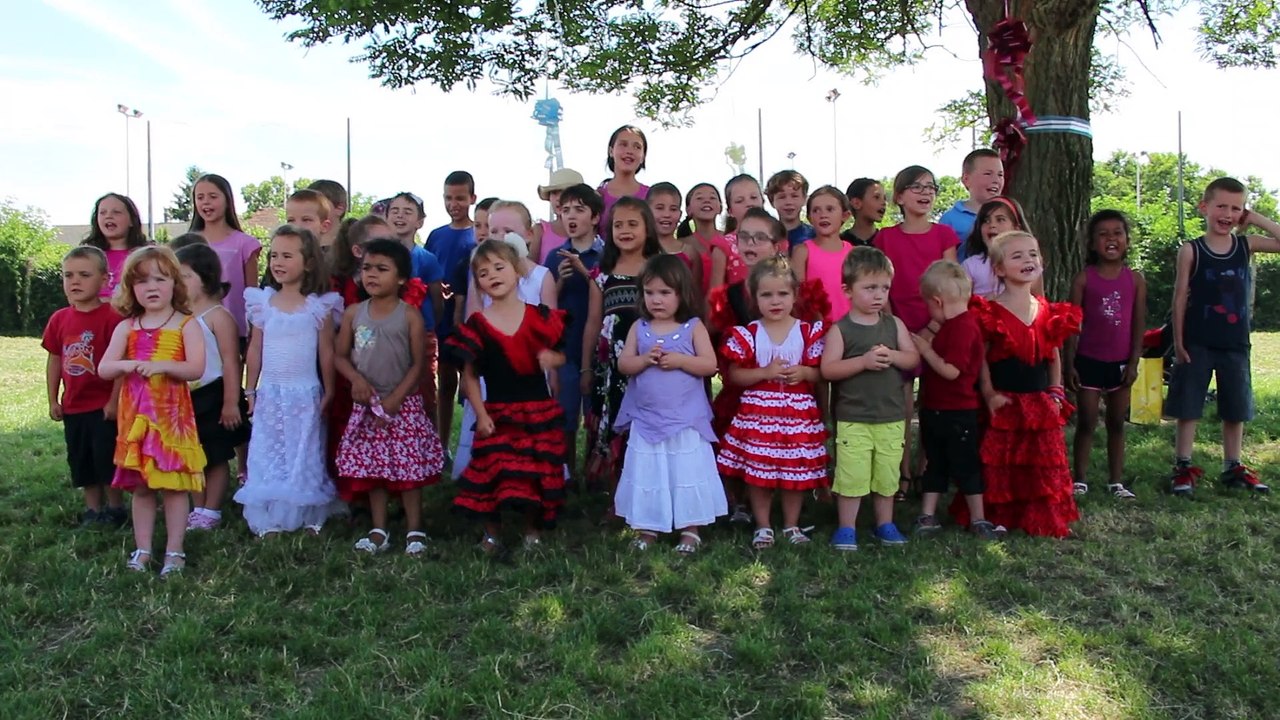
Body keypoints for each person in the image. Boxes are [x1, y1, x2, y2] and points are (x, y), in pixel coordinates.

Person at [954, 231, 1081, 537]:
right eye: (1018, 256)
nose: (1028, 260)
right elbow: (981, 359)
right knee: (1002, 460)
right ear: (998, 269)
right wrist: (987, 392)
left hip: (1038, 401)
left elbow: (1053, 354)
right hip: (1004, 399)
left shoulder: (1047, 310)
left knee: (1042, 459)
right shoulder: (988, 310)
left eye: (1033, 254)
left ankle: (1040, 516)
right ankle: (999, 516)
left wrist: (1056, 392)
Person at [445, 240, 568, 555]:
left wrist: (553, 360)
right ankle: (492, 534)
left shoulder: (540, 316)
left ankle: (532, 532)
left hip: (538, 409)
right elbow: (469, 375)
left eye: (499, 267)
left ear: (517, 271)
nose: (493, 275)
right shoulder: (477, 324)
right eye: (484, 273)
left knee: (536, 472)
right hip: (498, 410)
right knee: (493, 470)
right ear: (479, 283)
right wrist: (481, 413)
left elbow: (561, 354)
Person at [707, 208, 829, 523]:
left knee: (792, 445)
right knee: (736, 436)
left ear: (777, 245)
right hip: (746, 387)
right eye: (743, 236)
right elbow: (724, 348)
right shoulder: (731, 294)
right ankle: (743, 502)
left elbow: (817, 347)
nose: (750, 243)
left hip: (794, 391)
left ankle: (792, 504)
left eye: (759, 237)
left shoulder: (800, 292)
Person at [1166, 177, 1280, 495]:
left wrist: (1254, 218)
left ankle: (1233, 466)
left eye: (1236, 208)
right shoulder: (1192, 250)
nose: (1227, 213)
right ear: (1205, 207)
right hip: (1197, 341)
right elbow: (1179, 298)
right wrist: (1178, 341)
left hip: (1235, 343)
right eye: (1221, 206)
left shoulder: (1246, 245)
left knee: (1235, 407)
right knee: (1189, 406)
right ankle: (1183, 466)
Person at [98, 246, 207, 576]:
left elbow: (196, 368)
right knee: (142, 487)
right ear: (131, 288)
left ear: (175, 283)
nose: (152, 287)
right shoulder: (127, 327)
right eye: (142, 281)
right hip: (136, 421)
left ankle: (175, 551)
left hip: (172, 421)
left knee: (174, 487)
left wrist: (162, 365)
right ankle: (143, 549)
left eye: (160, 278)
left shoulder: (186, 324)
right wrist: (129, 364)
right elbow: (105, 368)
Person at [335, 239, 444, 555]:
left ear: (400, 278)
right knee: (374, 470)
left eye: (381, 269)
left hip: (403, 406)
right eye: (367, 268)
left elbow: (418, 363)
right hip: (367, 408)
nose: (371, 275)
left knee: (408, 470)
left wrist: (398, 396)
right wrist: (355, 379)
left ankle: (415, 529)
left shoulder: (409, 315)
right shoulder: (354, 313)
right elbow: (340, 356)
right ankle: (379, 528)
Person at [234, 226, 342, 536]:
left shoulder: (318, 306)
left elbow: (326, 352)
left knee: (303, 449)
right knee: (269, 448)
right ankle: (269, 509)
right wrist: (250, 389)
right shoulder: (263, 303)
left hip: (305, 393)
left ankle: (307, 510)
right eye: (274, 255)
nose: (278, 262)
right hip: (270, 393)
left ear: (308, 263)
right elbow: (255, 348)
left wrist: (329, 389)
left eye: (287, 255)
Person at [614, 255, 726, 552]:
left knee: (685, 470)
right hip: (648, 420)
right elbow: (624, 364)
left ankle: (690, 529)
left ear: (681, 294)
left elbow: (709, 365)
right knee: (650, 472)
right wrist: (642, 360)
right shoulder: (640, 327)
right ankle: (648, 527)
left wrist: (680, 360)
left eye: (665, 293)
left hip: (684, 421)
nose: (656, 300)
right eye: (649, 293)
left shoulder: (692, 327)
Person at [820, 247, 919, 550]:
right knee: (852, 475)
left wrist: (894, 356)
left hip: (890, 417)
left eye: (884, 288)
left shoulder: (894, 325)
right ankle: (846, 527)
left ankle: (884, 524)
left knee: (887, 475)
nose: (879, 295)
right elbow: (828, 369)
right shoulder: (841, 329)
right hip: (853, 418)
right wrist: (862, 362)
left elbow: (913, 358)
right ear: (847, 290)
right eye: (870, 288)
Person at [874, 165, 959, 498]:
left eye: (930, 187)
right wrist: (898, 330)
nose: (925, 193)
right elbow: (881, 286)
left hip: (939, 326)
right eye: (916, 187)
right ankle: (902, 471)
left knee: (933, 401)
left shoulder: (944, 235)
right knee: (903, 403)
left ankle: (927, 466)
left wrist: (935, 326)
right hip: (899, 327)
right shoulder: (886, 238)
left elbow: (952, 283)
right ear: (899, 196)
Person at [454, 213, 557, 478]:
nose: (499, 236)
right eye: (493, 229)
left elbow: (552, 347)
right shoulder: (480, 323)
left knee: (532, 459)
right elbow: (472, 369)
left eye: (507, 230)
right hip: (494, 398)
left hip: (531, 399)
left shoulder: (535, 311)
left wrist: (552, 369)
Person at [909, 261, 1002, 538]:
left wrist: (926, 350)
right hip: (935, 408)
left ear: (937, 301)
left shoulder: (964, 327)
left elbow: (952, 371)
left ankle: (978, 517)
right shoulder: (948, 324)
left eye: (929, 305)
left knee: (966, 464)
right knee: (935, 462)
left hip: (959, 411)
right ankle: (927, 514)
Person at [582, 197, 662, 494]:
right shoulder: (601, 273)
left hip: (652, 360)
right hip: (611, 367)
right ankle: (617, 496)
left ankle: (651, 490)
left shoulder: (660, 269)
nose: (625, 230)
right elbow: (592, 322)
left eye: (632, 224)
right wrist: (586, 369)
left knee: (648, 422)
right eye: (618, 225)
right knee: (614, 420)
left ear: (647, 229)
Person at [44, 246, 127, 528]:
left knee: (107, 458)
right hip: (74, 406)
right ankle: (92, 510)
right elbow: (55, 359)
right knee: (81, 460)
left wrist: (115, 402)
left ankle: (115, 508)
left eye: (84, 274)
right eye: (68, 275)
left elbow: (121, 364)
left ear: (104, 280)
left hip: (103, 406)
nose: (75, 281)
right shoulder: (59, 319)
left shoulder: (113, 318)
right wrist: (53, 399)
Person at [1065, 210, 1146, 499]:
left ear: (1126, 240)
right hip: (1088, 361)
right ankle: (1080, 479)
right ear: (1091, 243)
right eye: (1103, 234)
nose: (1111, 239)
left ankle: (1115, 482)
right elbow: (1072, 324)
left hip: (1121, 364)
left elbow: (1138, 324)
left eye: (1117, 233)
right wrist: (1070, 363)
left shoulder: (1135, 280)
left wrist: (1134, 362)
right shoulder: (1083, 279)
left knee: (1115, 423)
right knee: (1086, 421)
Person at [176, 244, 249, 531]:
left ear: (206, 278)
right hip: (185, 397)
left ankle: (212, 509)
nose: (178, 283)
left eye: (185, 276)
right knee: (191, 455)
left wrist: (231, 402)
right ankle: (198, 506)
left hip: (215, 394)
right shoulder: (178, 316)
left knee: (216, 455)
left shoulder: (219, 316)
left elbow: (232, 362)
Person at [546, 183, 606, 475]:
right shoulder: (555, 257)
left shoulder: (608, 255)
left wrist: (586, 273)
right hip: (565, 349)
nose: (570, 216)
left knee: (597, 417)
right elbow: (543, 308)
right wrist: (558, 281)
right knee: (565, 416)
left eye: (579, 210)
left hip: (602, 350)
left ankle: (593, 474)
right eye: (565, 209)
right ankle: (566, 475)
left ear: (595, 217)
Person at [426, 172, 479, 460]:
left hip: (471, 317)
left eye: (460, 198)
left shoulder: (478, 234)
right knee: (445, 384)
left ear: (472, 198)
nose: (454, 204)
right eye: (448, 197)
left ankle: (470, 450)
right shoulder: (436, 235)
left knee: (472, 384)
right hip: (443, 318)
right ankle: (441, 445)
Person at [387, 192, 446, 429]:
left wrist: (428, 327)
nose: (400, 216)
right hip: (387, 335)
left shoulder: (427, 259)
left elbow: (437, 300)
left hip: (421, 336)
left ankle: (431, 446)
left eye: (407, 212)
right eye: (395, 211)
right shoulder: (379, 256)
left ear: (419, 222)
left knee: (424, 391)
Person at [188, 174, 261, 346]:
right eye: (200, 197)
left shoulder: (245, 244)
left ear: (227, 200)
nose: (206, 202)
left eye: (213, 196)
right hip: (193, 328)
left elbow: (252, 294)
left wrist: (253, 332)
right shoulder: (187, 243)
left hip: (235, 330)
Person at [791, 186, 854, 324]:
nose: (823, 215)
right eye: (816, 210)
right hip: (816, 329)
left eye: (830, 209)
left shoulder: (853, 253)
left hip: (851, 329)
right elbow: (796, 295)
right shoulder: (802, 251)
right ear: (809, 218)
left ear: (845, 215)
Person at [960, 196, 1036, 298]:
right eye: (986, 221)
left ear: (1016, 228)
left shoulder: (1029, 263)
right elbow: (961, 305)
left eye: (1000, 220)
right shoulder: (970, 266)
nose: (992, 225)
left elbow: (1039, 301)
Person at [939, 149, 1005, 260]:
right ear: (966, 179)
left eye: (1000, 175)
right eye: (988, 174)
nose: (996, 180)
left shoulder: (1007, 215)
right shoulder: (949, 220)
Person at [81, 193, 149, 299]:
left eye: (116, 212)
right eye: (102, 213)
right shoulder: (86, 256)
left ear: (132, 220)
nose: (108, 216)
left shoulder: (147, 256)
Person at [647, 181, 703, 289]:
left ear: (680, 214)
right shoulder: (639, 249)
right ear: (647, 211)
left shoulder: (690, 253)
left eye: (673, 209)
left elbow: (694, 295)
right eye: (659, 208)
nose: (666, 214)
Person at [598, 125, 650, 235]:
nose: (629, 151)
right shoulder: (597, 195)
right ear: (611, 151)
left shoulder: (651, 196)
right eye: (623, 145)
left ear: (643, 156)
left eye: (637, 147)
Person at [682, 182, 730, 290]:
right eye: (699, 198)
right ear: (688, 210)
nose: (706, 201)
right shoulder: (682, 245)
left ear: (720, 208)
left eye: (712, 197)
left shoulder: (730, 239)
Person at [715, 174, 760, 282]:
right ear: (730, 211)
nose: (749, 204)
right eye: (740, 201)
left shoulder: (777, 239)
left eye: (753, 198)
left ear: (763, 201)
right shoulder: (723, 245)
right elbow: (715, 291)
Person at [532, 168, 583, 264]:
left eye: (565, 192)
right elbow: (529, 272)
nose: (559, 198)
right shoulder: (540, 230)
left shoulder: (591, 231)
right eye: (554, 193)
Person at [765, 170, 815, 250]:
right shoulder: (766, 235)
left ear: (804, 199)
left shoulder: (814, 236)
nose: (788, 202)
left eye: (794, 196)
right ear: (772, 202)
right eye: (782, 197)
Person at [285, 190, 335, 256]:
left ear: (324, 226)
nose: (297, 226)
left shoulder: (334, 262)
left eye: (306, 220)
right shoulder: (279, 260)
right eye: (291, 220)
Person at [840, 179, 887, 248]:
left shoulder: (887, 242)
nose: (884, 203)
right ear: (856, 203)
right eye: (876, 197)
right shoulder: (840, 243)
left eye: (885, 198)